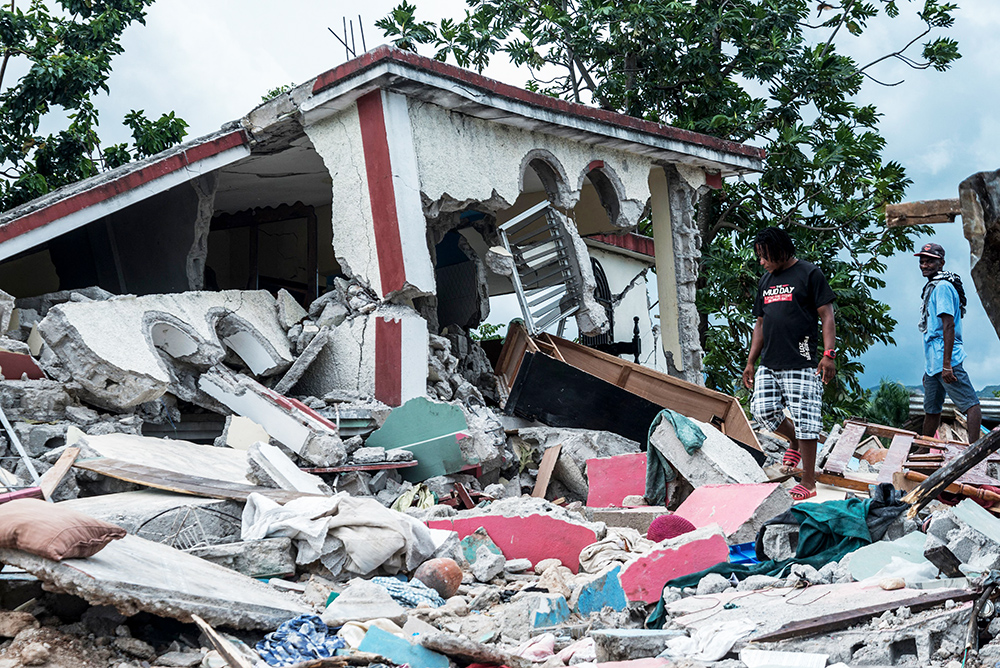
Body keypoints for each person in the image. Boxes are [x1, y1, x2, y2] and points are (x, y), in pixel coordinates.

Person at [742, 227, 837, 501]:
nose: (761, 261)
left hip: (802, 360)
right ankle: (793, 440)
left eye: (764, 255)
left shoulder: (809, 274)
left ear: (780, 250)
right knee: (763, 410)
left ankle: (808, 482)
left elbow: (827, 316)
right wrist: (751, 361)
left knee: (807, 421)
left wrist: (829, 354)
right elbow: (760, 323)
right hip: (770, 362)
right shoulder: (765, 281)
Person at [915, 242, 981, 440]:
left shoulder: (943, 287)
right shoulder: (932, 286)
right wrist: (930, 369)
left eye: (930, 262)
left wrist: (946, 365)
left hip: (947, 358)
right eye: (922, 261)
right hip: (935, 361)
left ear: (941, 263)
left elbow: (948, 326)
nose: (925, 265)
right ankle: (924, 448)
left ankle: (975, 450)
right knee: (932, 408)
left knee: (970, 403)